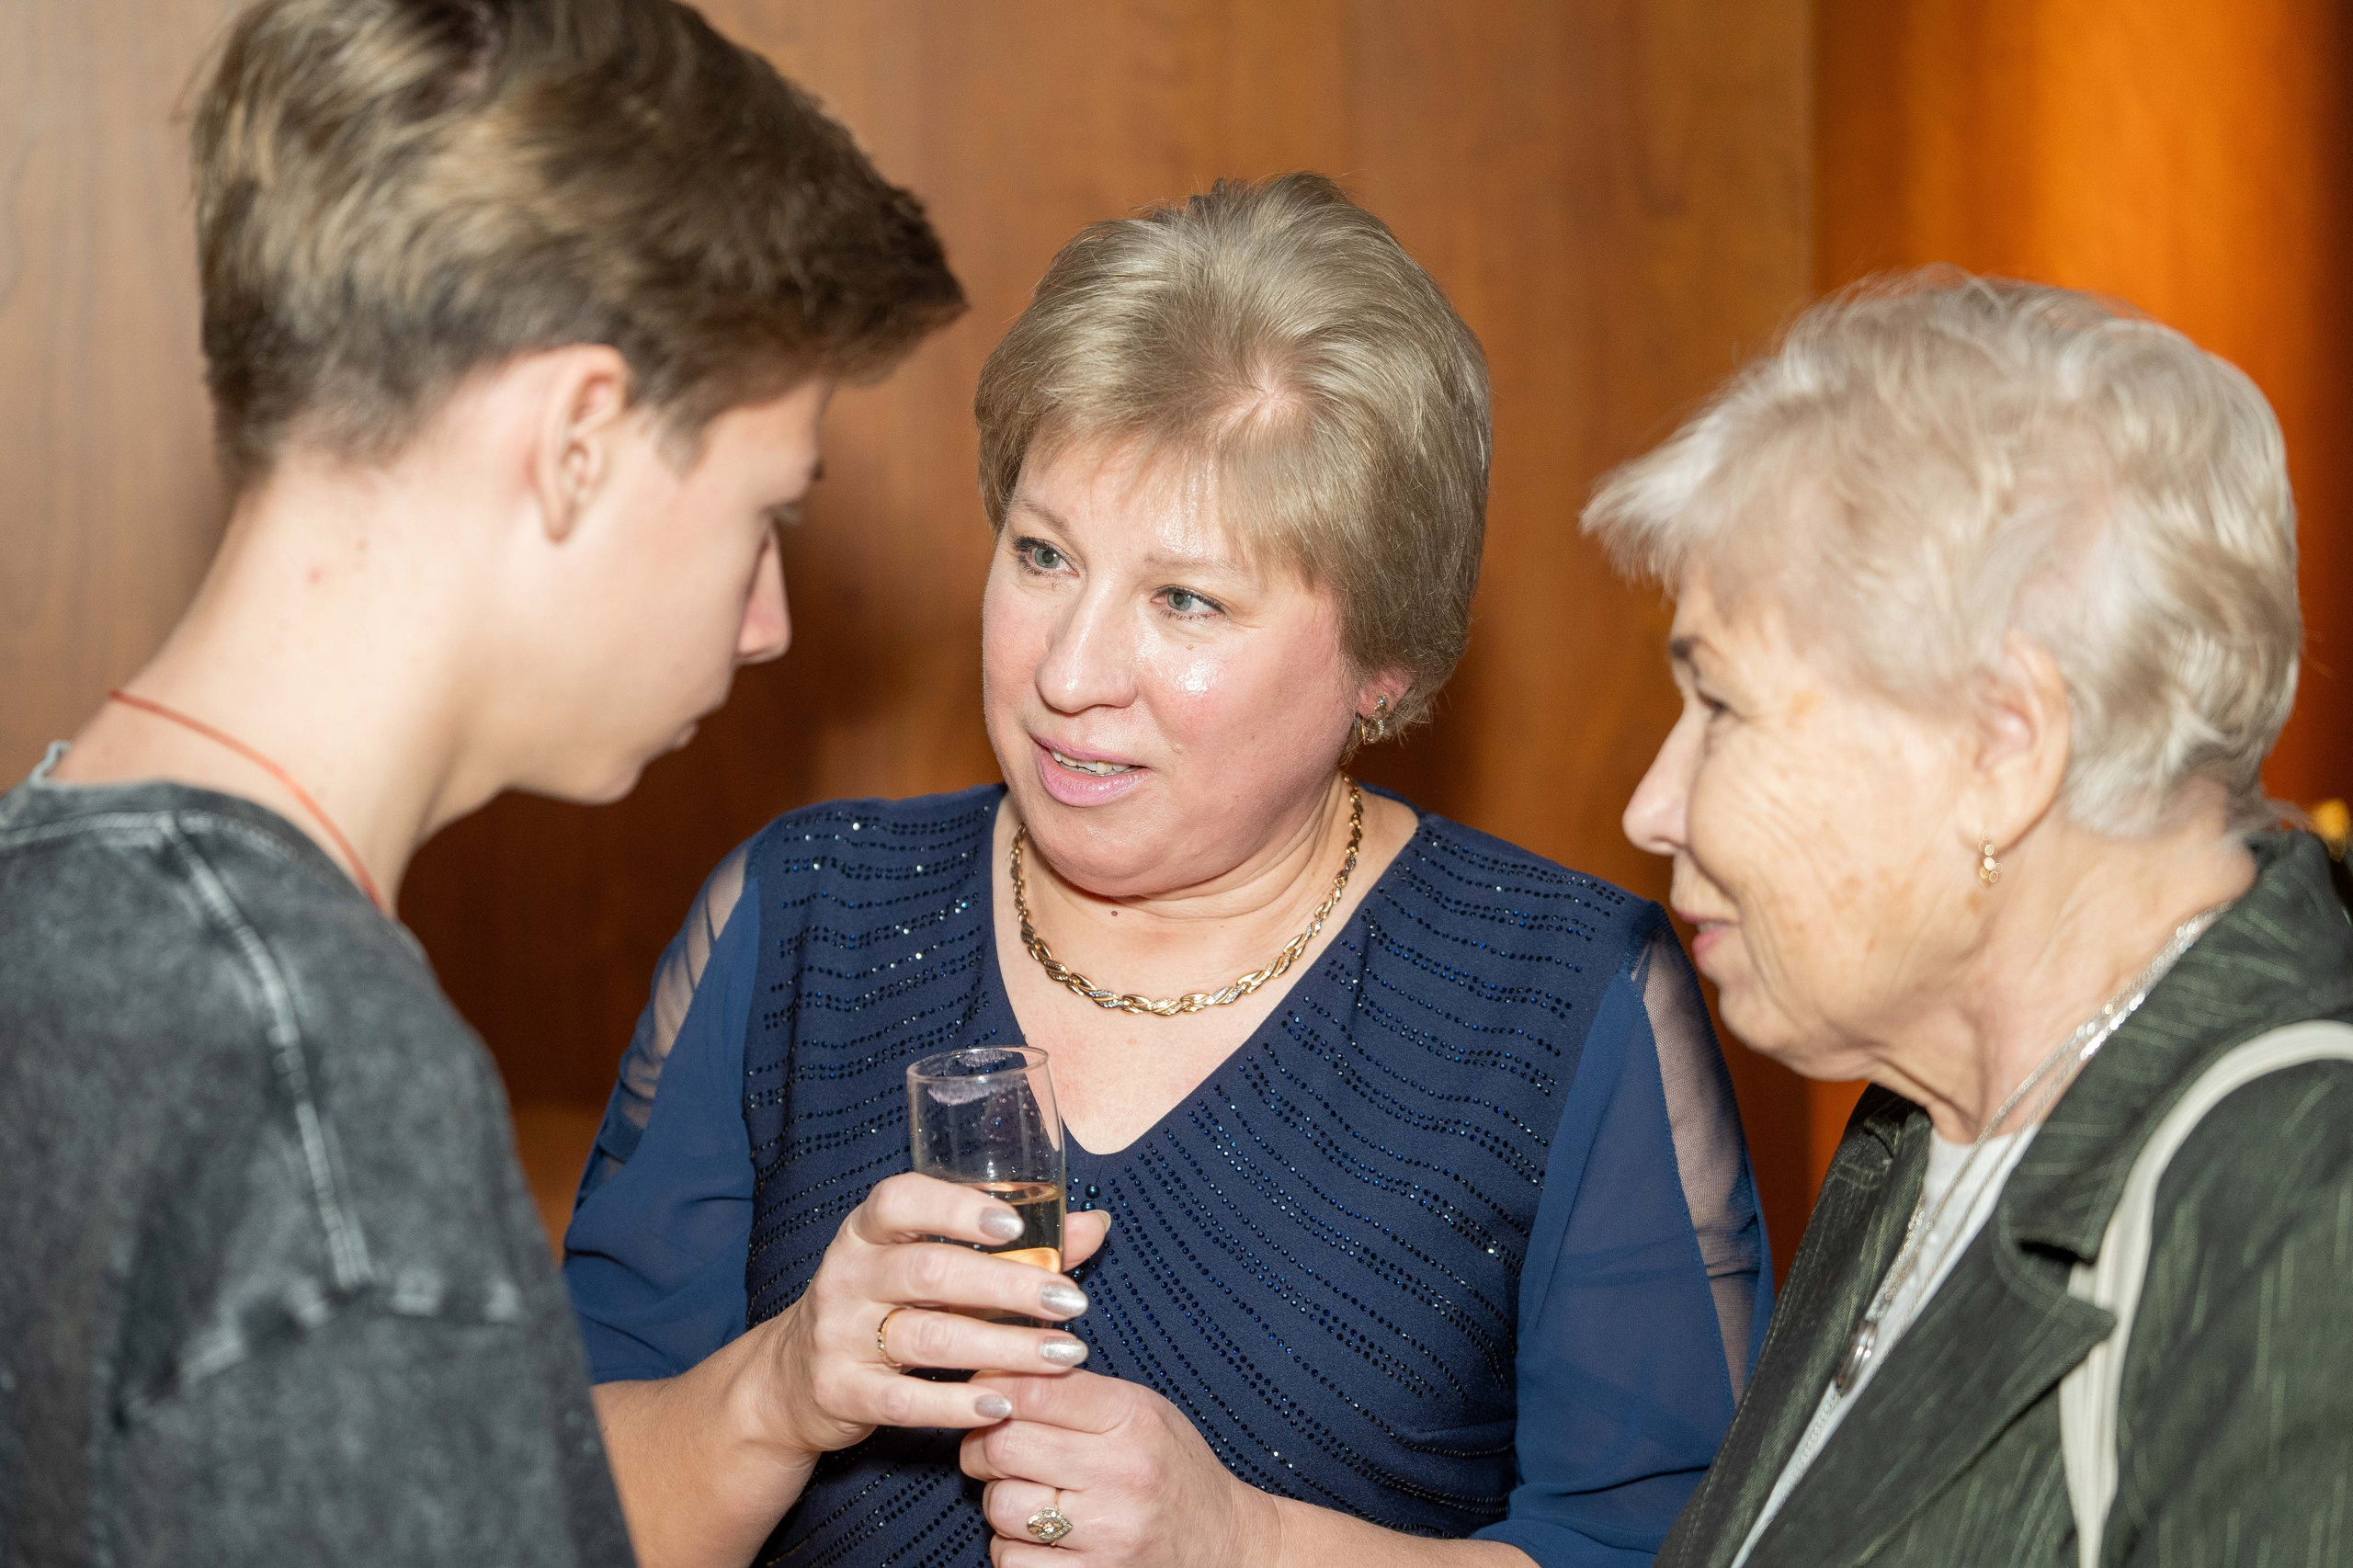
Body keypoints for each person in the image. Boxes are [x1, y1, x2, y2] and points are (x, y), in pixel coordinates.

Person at [563, 173, 1770, 1568]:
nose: (1068, 674)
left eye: (1186, 599)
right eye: (1042, 555)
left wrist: (1245, 1544)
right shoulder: (802, 916)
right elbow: (537, 1509)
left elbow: (1679, 1550)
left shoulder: (1561, 998)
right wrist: (776, 1392)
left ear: (1384, 660)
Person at [0, 1, 967, 1562]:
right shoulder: (310, 1079)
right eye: (765, 511)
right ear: (579, 436)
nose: (771, 619)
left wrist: (766, 1401)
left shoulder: (48, 892)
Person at [1585, 273, 2353, 1568]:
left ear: (2003, 743)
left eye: (1720, 705)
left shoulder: (2302, 1202)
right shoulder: (1929, 1106)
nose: (1650, 805)